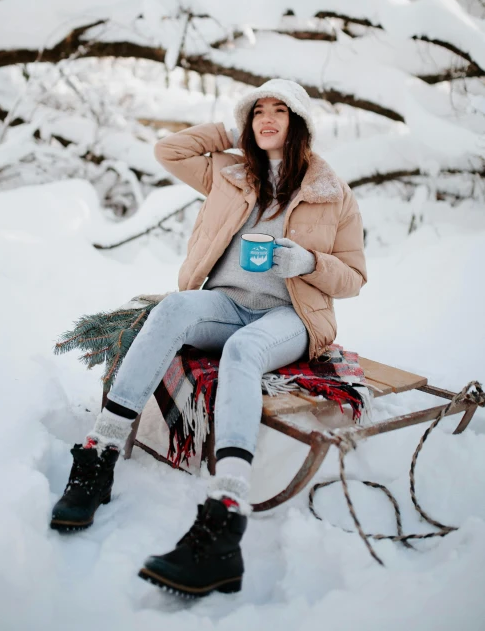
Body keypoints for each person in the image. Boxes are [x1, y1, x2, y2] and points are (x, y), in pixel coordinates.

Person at [50, 78, 368, 597]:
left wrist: (308, 262)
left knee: (244, 351)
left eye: (278, 111)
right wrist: (233, 126)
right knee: (174, 308)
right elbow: (168, 149)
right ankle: (101, 452)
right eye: (257, 111)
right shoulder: (231, 172)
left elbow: (353, 277)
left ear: (300, 122)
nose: (267, 119)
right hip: (226, 302)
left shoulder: (333, 192)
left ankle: (226, 506)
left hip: (290, 316)